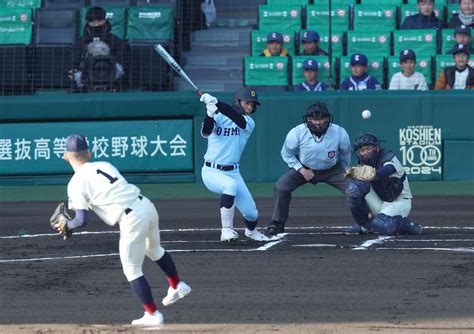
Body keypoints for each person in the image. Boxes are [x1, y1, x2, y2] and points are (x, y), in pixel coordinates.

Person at [57, 134, 191, 325]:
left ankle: (153, 315)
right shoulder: (104, 165)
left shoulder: (76, 183)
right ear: (88, 153)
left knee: (132, 269)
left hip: (131, 218)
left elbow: (81, 220)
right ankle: (177, 285)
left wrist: (66, 226)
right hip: (146, 205)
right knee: (154, 249)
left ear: (65, 156)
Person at [267, 102, 351, 235]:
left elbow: (346, 153)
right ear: (308, 119)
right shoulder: (296, 133)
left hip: (332, 170)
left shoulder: (340, 133)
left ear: (328, 119)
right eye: (314, 119)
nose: (318, 122)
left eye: (322, 119)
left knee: (355, 189)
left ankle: (364, 222)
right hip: (304, 169)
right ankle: (277, 223)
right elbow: (286, 153)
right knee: (281, 186)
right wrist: (301, 169)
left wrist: (345, 169)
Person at [199, 88, 270, 242]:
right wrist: (210, 113)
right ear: (237, 102)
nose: (250, 107)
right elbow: (206, 131)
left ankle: (251, 232)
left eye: (252, 105)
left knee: (252, 214)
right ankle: (226, 231)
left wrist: (216, 103)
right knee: (229, 186)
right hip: (212, 171)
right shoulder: (218, 117)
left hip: (233, 172)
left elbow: (237, 119)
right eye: (247, 103)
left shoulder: (248, 122)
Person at [345, 134, 423, 236]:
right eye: (362, 150)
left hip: (399, 202)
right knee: (353, 188)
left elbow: (388, 169)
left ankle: (408, 225)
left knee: (381, 224)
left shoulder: (387, 155)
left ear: (377, 148)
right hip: (379, 201)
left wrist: (373, 174)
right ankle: (366, 226)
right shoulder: (362, 163)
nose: (365, 153)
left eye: (368, 148)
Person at [70, 6, 130, 92]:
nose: (96, 24)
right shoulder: (81, 42)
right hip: (86, 76)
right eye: (93, 21)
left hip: (110, 74)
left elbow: (122, 63)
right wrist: (72, 70)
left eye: (99, 20)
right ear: (88, 22)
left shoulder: (116, 41)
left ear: (105, 20)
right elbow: (74, 61)